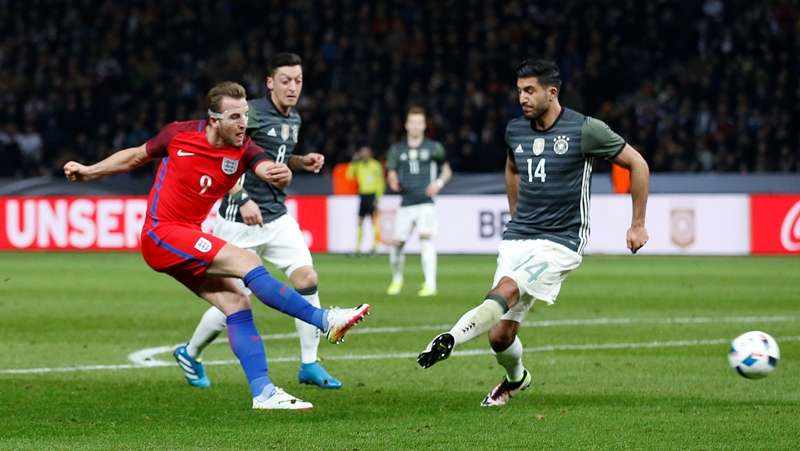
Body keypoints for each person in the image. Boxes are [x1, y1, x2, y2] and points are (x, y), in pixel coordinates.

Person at [63, 81, 370, 410]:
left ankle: (263, 393)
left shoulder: (244, 149)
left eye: (246, 115)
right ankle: (324, 320)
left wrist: (277, 173)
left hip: (183, 239)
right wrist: (88, 171)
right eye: (235, 116)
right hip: (161, 233)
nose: (243, 123)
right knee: (247, 262)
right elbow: (136, 156)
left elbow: (265, 165)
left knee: (237, 303)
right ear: (214, 120)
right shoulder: (178, 135)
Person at [417, 59, 649, 407]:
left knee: (504, 291)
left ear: (551, 92)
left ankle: (450, 337)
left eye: (529, 91)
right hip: (519, 237)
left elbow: (638, 164)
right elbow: (512, 167)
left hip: (561, 243)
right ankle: (516, 379)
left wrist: (638, 223)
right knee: (500, 335)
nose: (522, 98)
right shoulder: (516, 130)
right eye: (519, 91)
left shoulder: (586, 130)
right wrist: (515, 212)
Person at [172, 53, 344, 390]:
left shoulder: (292, 118)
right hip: (239, 220)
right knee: (234, 301)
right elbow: (222, 155)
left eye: (298, 80)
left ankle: (309, 364)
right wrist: (241, 198)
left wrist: (300, 161)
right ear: (270, 82)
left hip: (277, 217)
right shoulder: (249, 114)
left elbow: (273, 156)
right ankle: (190, 352)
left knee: (307, 278)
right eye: (285, 80)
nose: (292, 87)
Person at [385, 107, 452, 297]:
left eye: (419, 122)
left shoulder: (433, 147)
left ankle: (430, 284)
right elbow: (391, 171)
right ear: (406, 125)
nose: (415, 126)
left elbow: (447, 170)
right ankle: (397, 280)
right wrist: (392, 179)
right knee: (397, 243)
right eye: (412, 122)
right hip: (406, 202)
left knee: (425, 239)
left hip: (425, 202)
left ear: (424, 125)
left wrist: (438, 183)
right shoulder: (397, 149)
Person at [347, 145, 385, 255]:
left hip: (372, 195)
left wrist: (378, 197)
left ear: (370, 154)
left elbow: (380, 182)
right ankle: (357, 248)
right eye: (362, 153)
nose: (364, 155)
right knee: (360, 221)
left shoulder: (375, 165)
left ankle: (375, 247)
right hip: (363, 195)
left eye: (366, 153)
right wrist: (353, 162)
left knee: (373, 221)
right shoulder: (358, 166)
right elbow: (349, 176)